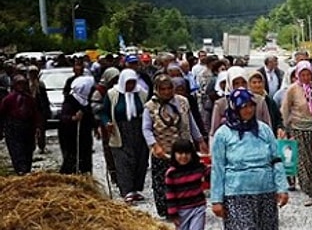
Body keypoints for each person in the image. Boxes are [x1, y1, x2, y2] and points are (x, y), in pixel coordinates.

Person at [210, 88, 290, 230]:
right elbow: (217, 168)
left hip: (264, 190)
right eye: (243, 106)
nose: (247, 110)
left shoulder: (263, 130)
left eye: (251, 105)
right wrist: (217, 200)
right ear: (235, 108)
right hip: (237, 192)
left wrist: (281, 187)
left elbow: (276, 159)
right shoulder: (223, 134)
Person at [144, 74, 208, 218]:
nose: (166, 92)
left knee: (187, 179)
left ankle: (188, 207)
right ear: (157, 89)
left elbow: (191, 123)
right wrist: (154, 145)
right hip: (164, 150)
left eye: (169, 88)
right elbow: (146, 128)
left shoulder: (183, 102)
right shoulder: (150, 106)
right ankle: (167, 210)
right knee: (164, 182)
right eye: (163, 89)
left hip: (184, 149)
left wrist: (200, 140)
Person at [99, 69, 150, 203]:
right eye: (128, 83)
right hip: (120, 131)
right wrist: (107, 123)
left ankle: (136, 189)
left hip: (138, 131)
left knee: (140, 161)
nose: (130, 86)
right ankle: (126, 190)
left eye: (133, 83)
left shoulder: (142, 94)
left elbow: (147, 110)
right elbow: (104, 112)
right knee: (122, 161)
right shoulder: (112, 94)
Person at [281, 60, 312, 206]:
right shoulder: (293, 89)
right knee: (304, 162)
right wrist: (286, 127)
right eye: (303, 75)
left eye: (308, 74)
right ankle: (308, 191)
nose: (306, 77)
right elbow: (285, 109)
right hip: (299, 128)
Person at [165, 139, 209, 230]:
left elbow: (210, 175)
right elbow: (170, 194)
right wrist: (173, 213)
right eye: (180, 153)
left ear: (192, 154)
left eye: (187, 153)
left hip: (197, 207)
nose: (183, 157)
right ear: (174, 155)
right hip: (181, 210)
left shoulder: (198, 168)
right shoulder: (171, 173)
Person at [0, 75, 43, 174]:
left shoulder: (29, 99)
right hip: (13, 127)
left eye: (23, 84)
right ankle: (20, 169)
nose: (21, 86)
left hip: (27, 127)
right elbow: (2, 114)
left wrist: (37, 127)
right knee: (16, 150)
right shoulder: (8, 99)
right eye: (19, 84)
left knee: (28, 150)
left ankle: (26, 169)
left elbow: (35, 114)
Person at [58, 75, 96, 175]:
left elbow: (90, 116)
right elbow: (63, 117)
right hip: (70, 134)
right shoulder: (70, 100)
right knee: (72, 157)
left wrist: (96, 126)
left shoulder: (86, 101)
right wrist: (73, 118)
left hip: (84, 134)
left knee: (85, 157)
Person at [248, 70, 284, 138]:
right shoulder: (247, 101)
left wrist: (280, 128)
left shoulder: (269, 101)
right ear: (249, 84)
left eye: (259, 82)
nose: (257, 85)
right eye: (254, 82)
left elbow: (278, 118)